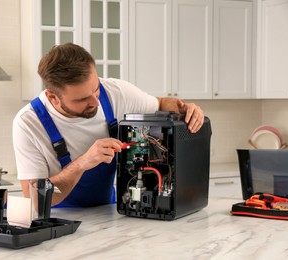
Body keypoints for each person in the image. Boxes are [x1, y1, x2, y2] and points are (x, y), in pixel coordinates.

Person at [13, 42, 204, 208]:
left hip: (107, 213)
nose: (96, 103)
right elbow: (35, 199)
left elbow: (161, 104)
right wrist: (83, 163)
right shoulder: (28, 123)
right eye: (82, 99)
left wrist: (185, 108)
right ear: (52, 97)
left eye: (95, 90)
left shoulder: (116, 92)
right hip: (58, 219)